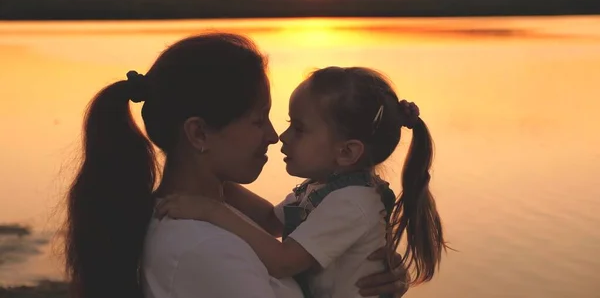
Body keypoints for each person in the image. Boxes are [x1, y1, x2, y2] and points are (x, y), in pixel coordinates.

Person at [63, 33, 410, 298]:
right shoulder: (204, 248)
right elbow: (275, 242)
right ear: (199, 132)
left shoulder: (202, 216)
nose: (275, 137)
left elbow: (271, 223)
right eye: (259, 121)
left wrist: (360, 267)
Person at [156, 66, 448, 298]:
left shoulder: (353, 202)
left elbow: (284, 260)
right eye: (284, 123)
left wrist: (211, 209)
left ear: (347, 151)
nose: (281, 137)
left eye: (299, 129)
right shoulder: (322, 190)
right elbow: (271, 221)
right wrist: (218, 180)